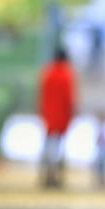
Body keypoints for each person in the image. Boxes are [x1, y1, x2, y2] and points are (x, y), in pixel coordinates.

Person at [38, 48, 77, 188]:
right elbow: (69, 99)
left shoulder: (47, 73)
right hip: (61, 117)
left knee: (48, 146)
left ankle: (47, 175)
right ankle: (55, 176)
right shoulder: (67, 74)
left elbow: (41, 95)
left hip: (48, 116)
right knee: (58, 148)